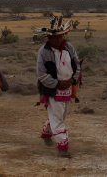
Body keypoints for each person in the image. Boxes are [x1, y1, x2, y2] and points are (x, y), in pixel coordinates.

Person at [36, 14, 80, 158]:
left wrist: (72, 80)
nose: (58, 39)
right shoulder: (43, 52)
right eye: (55, 37)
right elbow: (41, 74)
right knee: (58, 117)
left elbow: (77, 65)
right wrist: (57, 84)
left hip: (67, 88)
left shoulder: (69, 47)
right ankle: (63, 146)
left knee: (60, 115)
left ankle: (47, 131)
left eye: (60, 36)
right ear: (49, 38)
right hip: (51, 89)